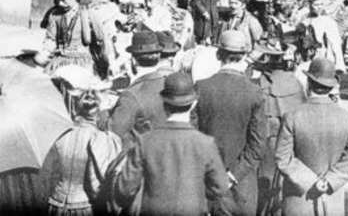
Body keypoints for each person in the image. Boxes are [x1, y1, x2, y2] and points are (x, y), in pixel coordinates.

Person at [115, 72, 233, 216]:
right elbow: (220, 187)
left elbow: (125, 189)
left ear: (164, 102)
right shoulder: (206, 143)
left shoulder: (145, 141)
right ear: (194, 103)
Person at [275, 58, 348, 216]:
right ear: (331, 86)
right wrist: (329, 180)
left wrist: (310, 180)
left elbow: (283, 158)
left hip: (298, 201)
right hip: (332, 200)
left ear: (308, 83)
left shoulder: (292, 117)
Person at [195, 30, 266, 216]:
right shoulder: (254, 92)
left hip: (205, 183)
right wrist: (233, 175)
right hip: (241, 187)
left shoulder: (201, 88)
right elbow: (257, 146)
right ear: (243, 56)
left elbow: (192, 138)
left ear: (219, 54)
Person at [43, 83, 121, 216]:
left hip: (56, 203)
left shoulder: (60, 133)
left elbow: (49, 173)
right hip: (85, 205)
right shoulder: (101, 138)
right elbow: (100, 181)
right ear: (98, 108)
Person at [255, 39, 305, 211]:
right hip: (290, 139)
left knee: (266, 183)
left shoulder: (260, 83)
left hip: (268, 139)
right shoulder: (295, 82)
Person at [108, 31, 168, 145]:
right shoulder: (170, 84)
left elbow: (114, 132)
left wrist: (103, 112)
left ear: (133, 61)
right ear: (158, 57)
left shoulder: (131, 95)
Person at [35, 0, 93, 75]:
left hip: (80, 56)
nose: (60, 4)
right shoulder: (55, 15)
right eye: (58, 0)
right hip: (62, 55)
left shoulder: (84, 12)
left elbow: (90, 39)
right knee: (39, 58)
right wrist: (47, 50)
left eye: (63, 0)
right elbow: (51, 38)